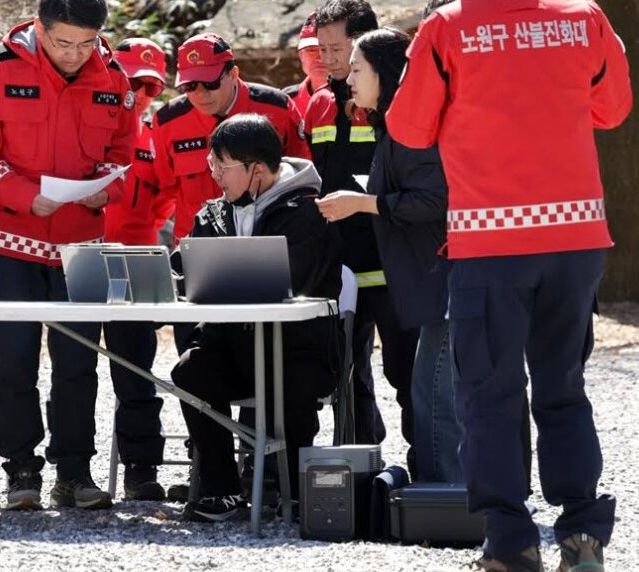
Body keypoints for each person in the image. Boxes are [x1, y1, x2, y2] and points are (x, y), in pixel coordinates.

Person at [387, 0, 631, 572]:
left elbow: (408, 128)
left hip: (492, 244)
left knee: (490, 396)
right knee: (564, 390)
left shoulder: (446, 28)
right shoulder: (586, 18)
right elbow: (613, 110)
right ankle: (581, 544)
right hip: (576, 239)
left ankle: (512, 553)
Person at [0, 0, 137, 510]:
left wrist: (109, 190)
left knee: (78, 362)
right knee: (15, 359)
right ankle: (21, 473)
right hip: (7, 239)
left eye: (87, 44)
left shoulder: (115, 74)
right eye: (64, 43)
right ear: (39, 28)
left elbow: (124, 152)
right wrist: (19, 194)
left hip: (81, 244)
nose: (76, 55)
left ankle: (74, 472)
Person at [170, 114, 342, 523]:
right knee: (191, 370)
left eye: (222, 168)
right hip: (233, 347)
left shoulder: (309, 213)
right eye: (212, 166)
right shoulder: (213, 213)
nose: (215, 178)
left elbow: (297, 281)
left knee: (290, 379)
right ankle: (222, 489)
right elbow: (185, 268)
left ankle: (296, 491)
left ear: (258, 170)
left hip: (298, 352)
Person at [316, 28, 460, 482]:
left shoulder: (409, 128)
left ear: (387, 73)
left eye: (358, 68)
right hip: (425, 281)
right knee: (429, 391)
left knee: (434, 396)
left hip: (440, 282)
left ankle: (446, 497)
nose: (348, 77)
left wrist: (363, 203)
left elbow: (434, 200)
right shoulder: (390, 124)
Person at [307, 0, 419, 460]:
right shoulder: (315, 105)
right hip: (340, 268)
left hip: (394, 265)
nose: (329, 60)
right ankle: (358, 464)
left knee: (409, 373)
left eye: (339, 49)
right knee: (345, 375)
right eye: (322, 49)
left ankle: (428, 465)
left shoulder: (402, 105)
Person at [151, 32, 311, 247]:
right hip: (198, 246)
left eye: (210, 84)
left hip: (267, 240)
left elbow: (301, 179)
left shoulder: (277, 109)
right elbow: (167, 188)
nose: (201, 94)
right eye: (190, 86)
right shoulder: (168, 122)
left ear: (234, 73)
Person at [101, 37, 172, 500]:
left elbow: (167, 198)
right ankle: (70, 471)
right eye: (131, 81)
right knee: (73, 368)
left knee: (137, 373)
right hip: (81, 253)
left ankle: (141, 470)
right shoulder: (86, 124)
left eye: (150, 86)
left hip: (139, 259)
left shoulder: (156, 134)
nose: (140, 94)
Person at [282, 12, 329, 118]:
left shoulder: (360, 98)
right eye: (311, 50)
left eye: (324, 49)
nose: (318, 57)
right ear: (301, 56)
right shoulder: (285, 101)